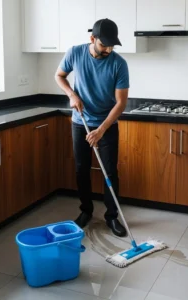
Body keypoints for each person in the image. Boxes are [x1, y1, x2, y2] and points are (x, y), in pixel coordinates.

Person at [55, 18, 129, 237]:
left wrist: (102, 129)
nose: (107, 49)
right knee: (81, 169)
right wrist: (72, 94)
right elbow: (59, 76)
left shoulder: (118, 63)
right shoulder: (75, 53)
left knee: (109, 171)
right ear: (92, 39)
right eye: (103, 44)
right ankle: (86, 211)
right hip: (81, 122)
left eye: (111, 45)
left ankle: (112, 217)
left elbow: (121, 103)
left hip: (106, 124)